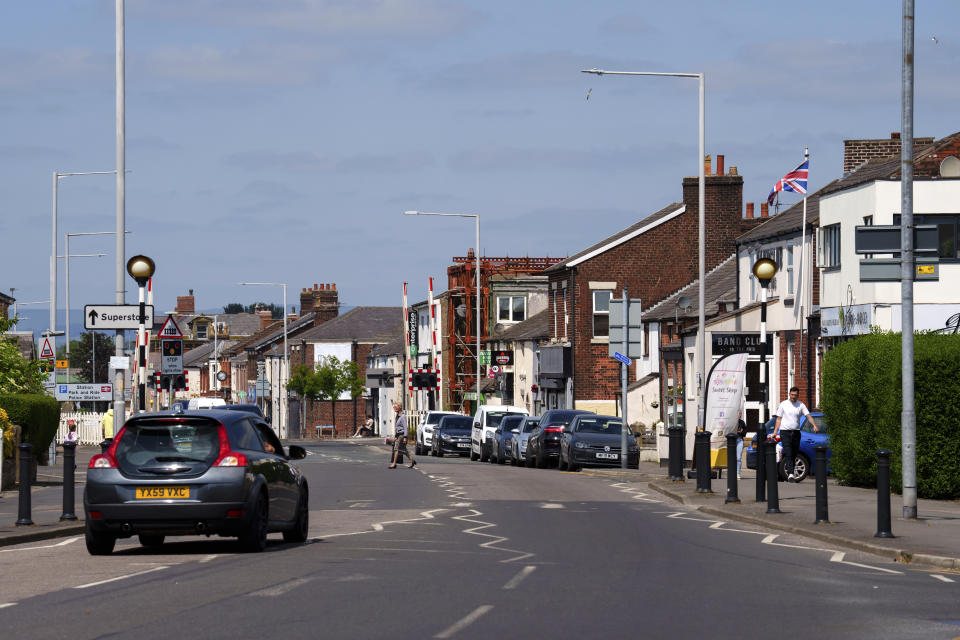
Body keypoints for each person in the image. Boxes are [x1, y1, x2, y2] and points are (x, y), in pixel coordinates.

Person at [772, 386, 815, 482]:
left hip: (796, 432)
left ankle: (791, 471)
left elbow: (808, 416)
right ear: (789, 394)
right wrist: (775, 432)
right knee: (788, 452)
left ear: (798, 395)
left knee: (794, 453)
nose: (793, 397)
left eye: (795, 395)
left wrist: (814, 425)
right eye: (792, 395)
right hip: (785, 432)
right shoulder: (783, 404)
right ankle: (791, 474)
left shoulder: (800, 405)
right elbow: (778, 419)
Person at [388, 402, 416, 469]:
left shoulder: (403, 416)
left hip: (402, 435)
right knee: (404, 450)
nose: (394, 407)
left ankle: (394, 463)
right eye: (394, 407)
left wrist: (405, 437)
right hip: (398, 435)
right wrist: (395, 436)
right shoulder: (397, 416)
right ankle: (412, 461)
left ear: (400, 407)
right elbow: (397, 427)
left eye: (396, 406)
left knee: (396, 448)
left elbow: (405, 427)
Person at [735, 412, 747, 480]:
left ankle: (737, 473)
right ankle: (732, 472)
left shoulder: (742, 422)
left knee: (738, 458)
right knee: (732, 458)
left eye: (740, 414)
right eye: (738, 413)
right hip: (732, 441)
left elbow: (745, 433)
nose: (739, 415)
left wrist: (741, 432)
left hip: (739, 440)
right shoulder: (731, 422)